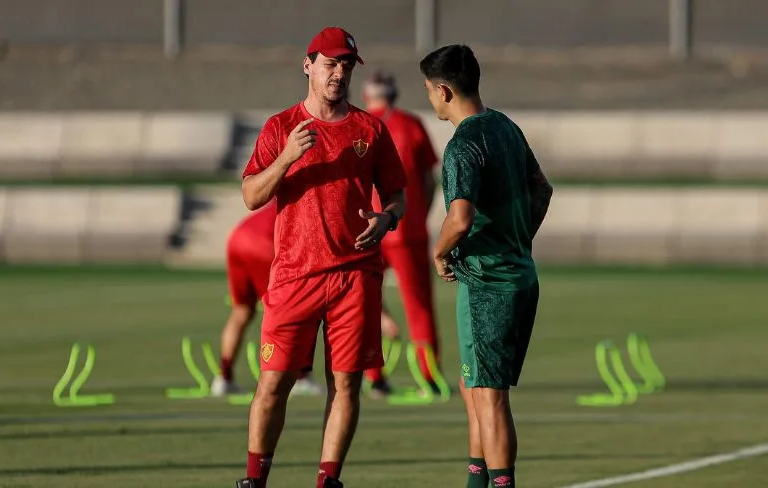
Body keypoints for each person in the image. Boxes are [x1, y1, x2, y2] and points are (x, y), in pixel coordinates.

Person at [236, 26, 407, 488]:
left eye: (346, 66)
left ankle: (328, 480)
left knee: (347, 384)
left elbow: (397, 194)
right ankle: (255, 480)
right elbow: (251, 195)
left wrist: (387, 219)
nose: (339, 74)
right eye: (330, 64)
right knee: (273, 384)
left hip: (355, 276)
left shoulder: (369, 129)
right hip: (295, 276)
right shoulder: (279, 127)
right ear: (308, 65)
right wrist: (287, 157)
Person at [419, 45, 553, 488]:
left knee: (490, 398)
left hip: (487, 284)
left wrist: (439, 253)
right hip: (520, 276)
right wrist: (518, 237)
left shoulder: (463, 143)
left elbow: (460, 219)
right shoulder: (506, 127)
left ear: (443, 91)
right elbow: (542, 188)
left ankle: (500, 483)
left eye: (429, 92)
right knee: (473, 387)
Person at [361, 70, 441, 397]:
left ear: (367, 96)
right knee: (419, 305)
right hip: (408, 228)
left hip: (368, 227)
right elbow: (429, 179)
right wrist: (419, 210)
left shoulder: (358, 125)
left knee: (364, 302)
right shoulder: (411, 125)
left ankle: (373, 375)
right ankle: (429, 375)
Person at [214, 199, 324, 397]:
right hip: (262, 242)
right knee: (295, 309)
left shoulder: (283, 196)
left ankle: (224, 378)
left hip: (238, 238)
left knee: (241, 310)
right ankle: (301, 378)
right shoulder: (309, 204)